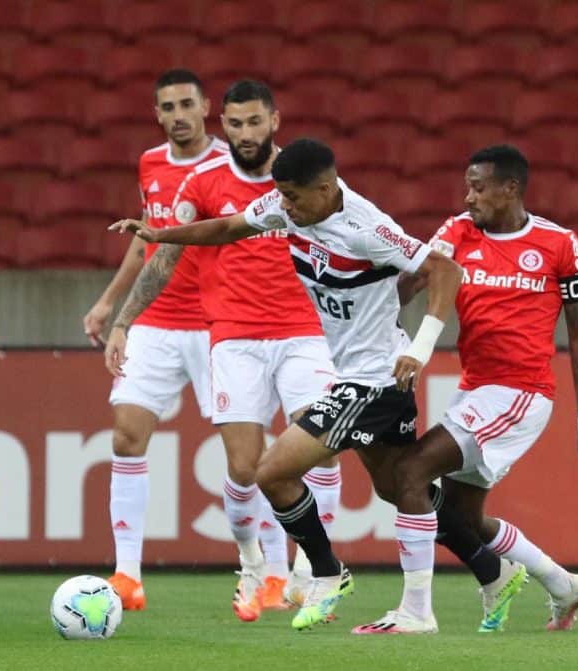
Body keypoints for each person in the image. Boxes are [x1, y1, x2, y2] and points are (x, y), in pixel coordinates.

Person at [118, 137, 465, 634]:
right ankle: (484, 560)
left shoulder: (367, 228)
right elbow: (229, 228)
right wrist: (163, 234)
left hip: (376, 380)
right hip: (353, 376)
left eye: (293, 198)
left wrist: (422, 348)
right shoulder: (290, 207)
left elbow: (445, 269)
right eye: (279, 196)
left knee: (272, 472)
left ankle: (328, 572)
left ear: (325, 190)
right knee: (399, 487)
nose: (283, 206)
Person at [104, 81, 341, 622]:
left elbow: (349, 244)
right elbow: (166, 255)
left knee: (321, 447)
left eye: (255, 122)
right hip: (234, 337)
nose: (245, 134)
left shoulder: (306, 179)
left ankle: (311, 573)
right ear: (224, 125)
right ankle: (253, 561)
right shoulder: (204, 180)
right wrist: (124, 319)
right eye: (235, 124)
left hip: (304, 332)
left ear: (275, 121)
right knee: (245, 470)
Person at [395, 144, 578, 632]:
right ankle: (562, 583)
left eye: (478, 187)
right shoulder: (456, 232)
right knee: (459, 520)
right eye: (467, 186)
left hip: (521, 393)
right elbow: (409, 284)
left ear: (510, 189)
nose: (468, 197)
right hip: (476, 389)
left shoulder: (560, 245)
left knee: (412, 470)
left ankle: (416, 611)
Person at [81, 69, 227, 611]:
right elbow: (148, 242)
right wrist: (110, 305)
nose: (178, 114)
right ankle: (127, 574)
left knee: (243, 455)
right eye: (168, 107)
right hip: (158, 321)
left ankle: (267, 569)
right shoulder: (151, 163)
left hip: (218, 323)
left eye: (187, 103)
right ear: (158, 114)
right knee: (126, 434)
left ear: (207, 106)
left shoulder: (228, 166)